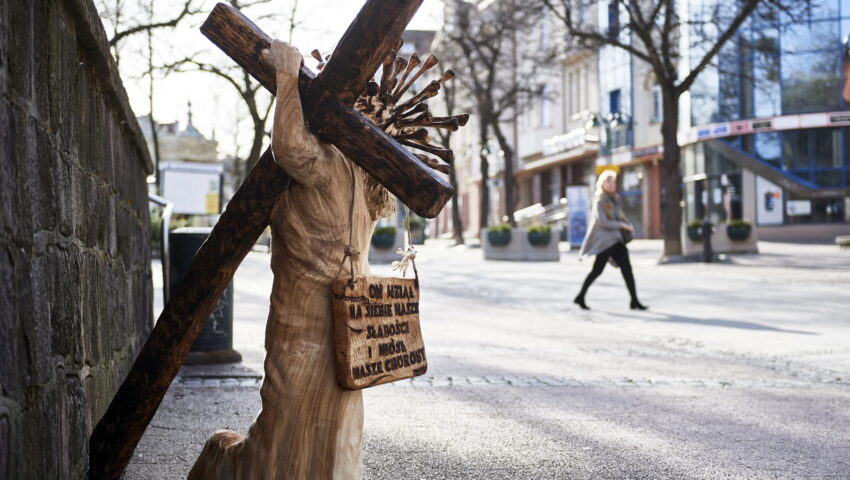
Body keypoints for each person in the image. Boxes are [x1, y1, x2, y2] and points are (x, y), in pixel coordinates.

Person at [189, 40, 395, 480]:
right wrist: (287, 77)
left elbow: (292, 146)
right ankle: (227, 465)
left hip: (344, 313)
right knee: (289, 416)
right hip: (304, 313)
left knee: (337, 416)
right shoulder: (332, 165)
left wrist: (288, 76)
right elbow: (290, 147)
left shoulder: (357, 174)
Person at [574, 170, 648, 311]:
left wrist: (627, 225)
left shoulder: (615, 199)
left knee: (627, 269)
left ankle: (634, 300)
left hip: (617, 240)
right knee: (597, 270)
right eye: (608, 182)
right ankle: (581, 296)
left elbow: (619, 218)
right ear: (602, 184)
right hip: (605, 242)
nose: (611, 185)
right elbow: (603, 222)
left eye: (613, 182)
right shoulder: (599, 201)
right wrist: (622, 225)